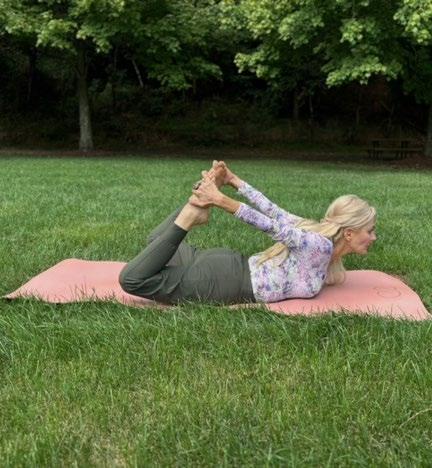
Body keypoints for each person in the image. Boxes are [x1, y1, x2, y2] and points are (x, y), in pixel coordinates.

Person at [119, 161, 377, 305]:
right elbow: (270, 224)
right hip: (222, 282)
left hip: (225, 265)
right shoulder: (320, 246)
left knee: (156, 244)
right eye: (370, 230)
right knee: (132, 279)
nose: (374, 237)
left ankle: (194, 208)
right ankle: (192, 213)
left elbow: (272, 210)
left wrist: (234, 180)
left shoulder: (316, 240)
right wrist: (221, 199)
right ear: (349, 233)